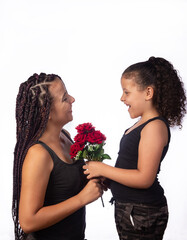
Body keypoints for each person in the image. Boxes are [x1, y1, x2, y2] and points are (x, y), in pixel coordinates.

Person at [83, 57, 186, 240]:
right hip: (131, 209)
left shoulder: (154, 127)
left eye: (126, 92)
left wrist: (102, 168)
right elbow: (131, 168)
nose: (122, 98)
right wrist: (110, 178)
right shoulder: (142, 124)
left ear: (148, 93)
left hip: (141, 212)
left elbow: (145, 178)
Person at [12, 73, 103, 240]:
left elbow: (67, 187)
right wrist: (82, 199)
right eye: (64, 98)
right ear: (47, 112)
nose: (72, 99)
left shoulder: (65, 136)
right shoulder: (39, 154)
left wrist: (98, 176)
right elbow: (28, 221)